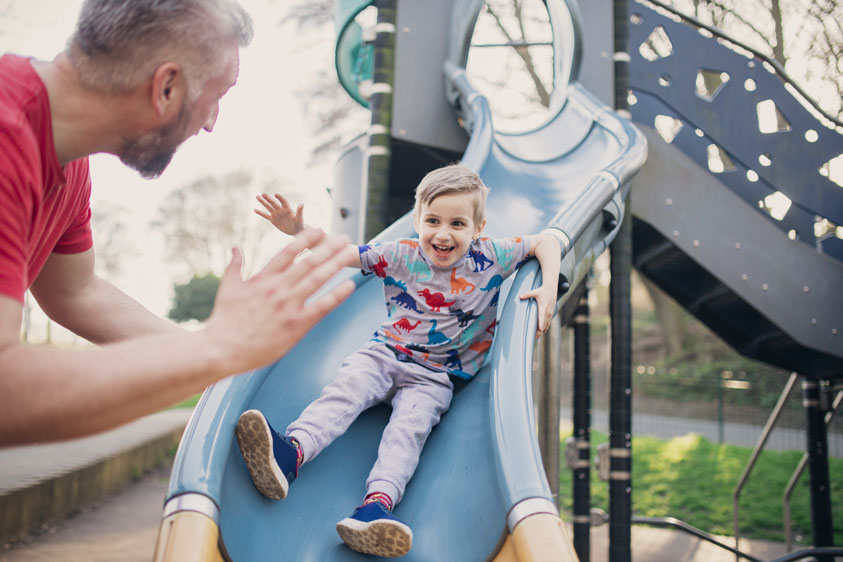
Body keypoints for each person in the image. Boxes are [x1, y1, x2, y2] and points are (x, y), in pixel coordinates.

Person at [0, 0, 355, 447]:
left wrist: (237, 355)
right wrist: (214, 350)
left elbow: (77, 293)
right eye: (217, 97)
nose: (211, 124)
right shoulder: (5, 135)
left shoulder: (67, 161)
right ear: (166, 87)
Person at [235, 163, 562, 558]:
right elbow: (341, 255)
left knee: (407, 433)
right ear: (417, 220)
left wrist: (547, 289)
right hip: (384, 353)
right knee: (343, 393)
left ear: (478, 228)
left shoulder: (491, 255)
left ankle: (375, 507)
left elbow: (546, 242)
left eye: (458, 224)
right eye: (433, 221)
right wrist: (299, 232)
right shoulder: (400, 255)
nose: (443, 234)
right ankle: (291, 454)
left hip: (436, 376)